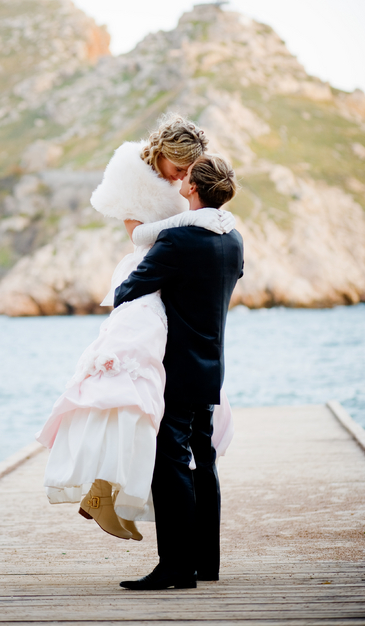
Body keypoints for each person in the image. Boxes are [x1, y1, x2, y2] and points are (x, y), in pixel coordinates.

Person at [36, 114, 236, 542]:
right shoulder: (129, 169)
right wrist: (191, 221)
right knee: (129, 383)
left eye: (188, 171)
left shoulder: (188, 180)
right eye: (177, 169)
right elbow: (140, 237)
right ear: (161, 154)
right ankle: (103, 489)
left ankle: (110, 493)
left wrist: (199, 223)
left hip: (173, 279)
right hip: (145, 279)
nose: (183, 178)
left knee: (160, 397)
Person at [115, 154, 244, 590]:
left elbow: (128, 290)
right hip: (212, 366)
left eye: (185, 177)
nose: (181, 180)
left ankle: (175, 566)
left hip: (175, 368)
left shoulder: (180, 241)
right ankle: (206, 563)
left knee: (168, 461)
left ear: (192, 189)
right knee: (203, 461)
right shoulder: (234, 239)